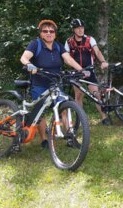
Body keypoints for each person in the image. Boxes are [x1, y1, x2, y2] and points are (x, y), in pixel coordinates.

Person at [20, 19, 88, 148]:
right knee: (41, 112)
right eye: (45, 31)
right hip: (39, 85)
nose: (48, 33)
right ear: (41, 33)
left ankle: (70, 137)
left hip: (56, 84)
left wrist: (81, 70)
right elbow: (24, 57)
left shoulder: (58, 46)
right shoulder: (36, 44)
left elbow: (68, 59)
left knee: (65, 108)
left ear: (55, 34)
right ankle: (44, 140)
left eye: (51, 31)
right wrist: (29, 65)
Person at [64, 18, 110, 125]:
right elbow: (66, 57)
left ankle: (104, 117)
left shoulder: (90, 39)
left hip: (89, 71)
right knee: (78, 95)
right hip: (76, 72)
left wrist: (103, 61)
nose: (80, 30)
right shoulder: (69, 42)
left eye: (82, 28)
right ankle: (80, 119)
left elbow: (97, 51)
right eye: (78, 28)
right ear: (73, 30)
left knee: (96, 94)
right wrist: (70, 64)